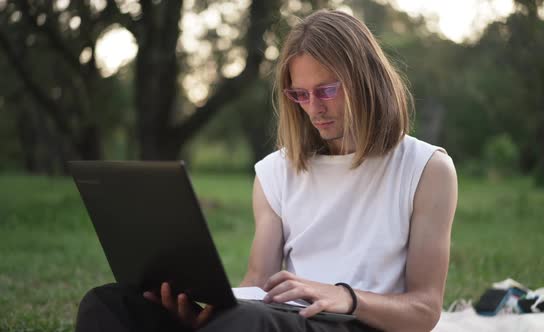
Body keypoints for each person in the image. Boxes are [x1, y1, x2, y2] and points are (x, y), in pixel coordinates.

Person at [75, 9, 457, 332]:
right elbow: (257, 283)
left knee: (248, 323)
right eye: (300, 95)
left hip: (359, 322)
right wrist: (209, 314)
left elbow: (424, 310)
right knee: (109, 304)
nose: (313, 109)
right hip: (281, 317)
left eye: (326, 90)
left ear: (366, 80)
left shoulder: (426, 169)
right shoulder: (277, 171)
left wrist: (345, 296)